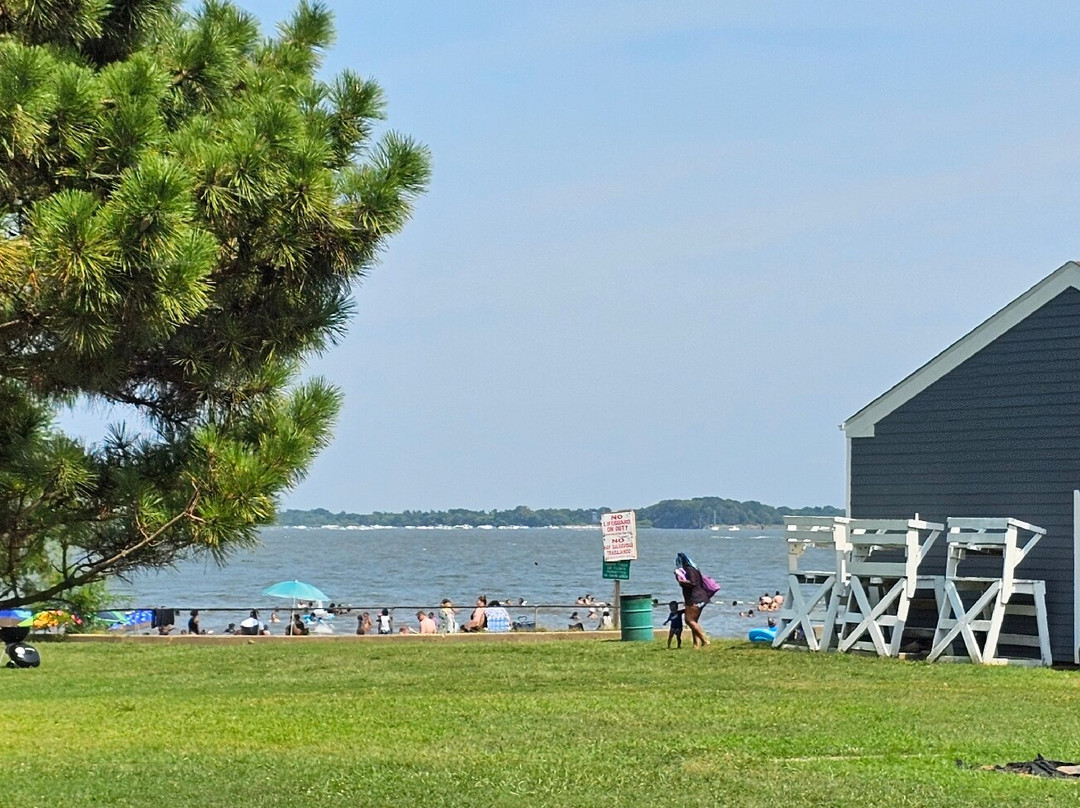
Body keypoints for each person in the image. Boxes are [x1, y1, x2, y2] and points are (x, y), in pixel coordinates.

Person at [675, 552, 715, 648]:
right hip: (700, 597)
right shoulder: (695, 569)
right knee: (694, 621)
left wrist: (681, 581)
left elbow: (692, 583)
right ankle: (695, 644)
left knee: (689, 620)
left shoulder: (689, 570)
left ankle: (705, 641)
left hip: (695, 598)